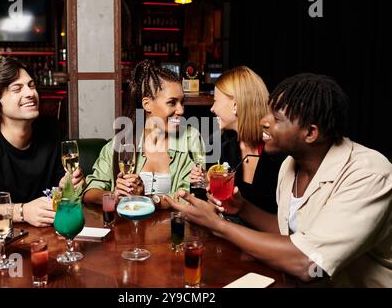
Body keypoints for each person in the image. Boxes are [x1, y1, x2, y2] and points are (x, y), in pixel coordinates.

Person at [166, 73, 392, 287]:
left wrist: (218, 225)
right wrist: (242, 208)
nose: (264, 121)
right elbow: (289, 232)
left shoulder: (368, 174)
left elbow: (309, 263)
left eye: (276, 118)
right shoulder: (290, 165)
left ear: (310, 133)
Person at [0, 58, 84, 227]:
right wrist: (21, 211)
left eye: (31, 86)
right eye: (17, 89)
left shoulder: (52, 131)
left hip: (44, 241)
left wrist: (68, 186)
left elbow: (59, 192)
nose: (30, 93)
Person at [83, 60, 204, 208]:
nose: (181, 110)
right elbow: (90, 192)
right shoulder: (122, 142)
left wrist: (147, 199)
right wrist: (114, 196)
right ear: (147, 104)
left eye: (182, 102)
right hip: (127, 229)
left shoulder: (190, 138)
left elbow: (191, 197)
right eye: (172, 103)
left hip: (173, 229)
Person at [190, 66, 284, 214]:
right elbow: (217, 201)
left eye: (215, 101)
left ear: (235, 105)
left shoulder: (279, 154)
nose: (212, 108)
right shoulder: (222, 146)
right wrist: (206, 182)